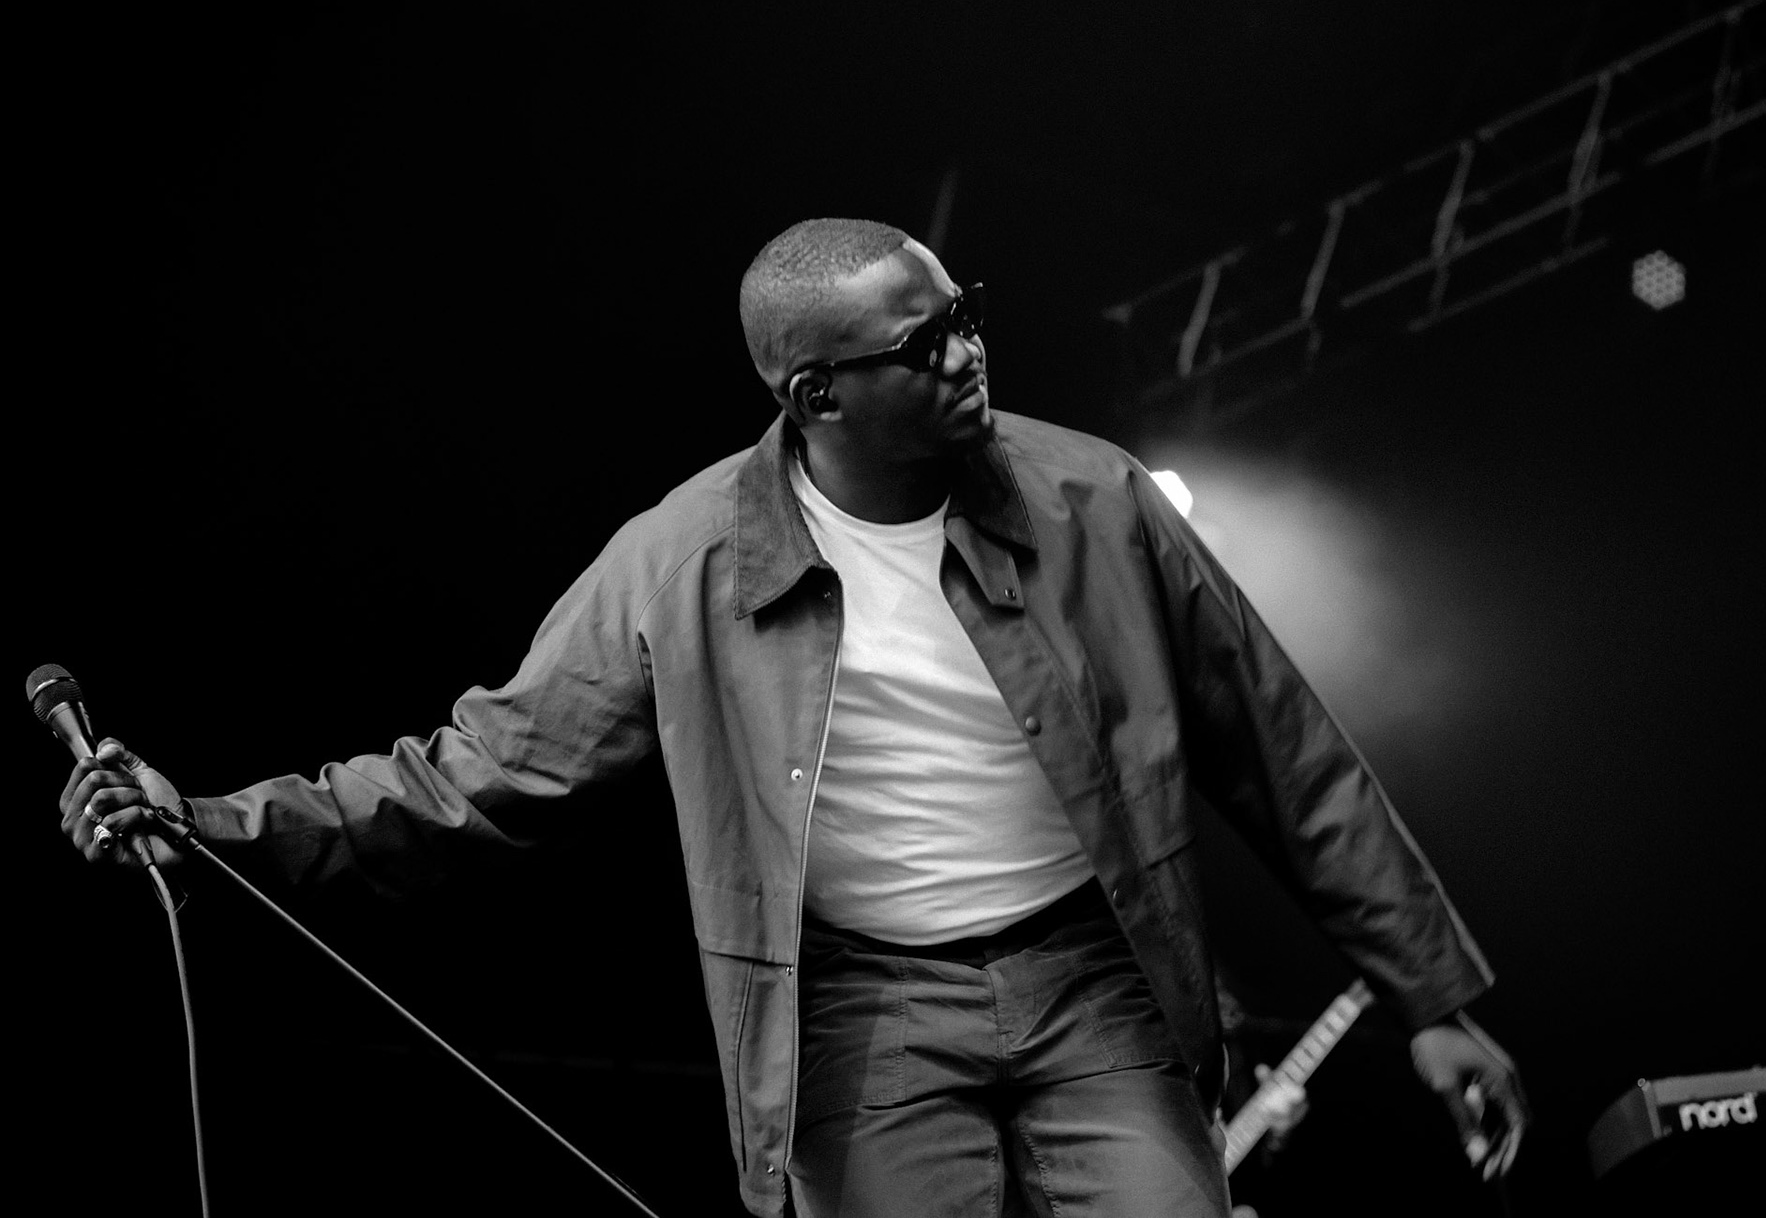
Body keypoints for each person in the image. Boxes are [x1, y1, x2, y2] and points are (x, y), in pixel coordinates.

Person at [63, 218, 1528, 1217]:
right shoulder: (689, 557)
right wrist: (209, 823)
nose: (968, 351)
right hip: (865, 1007)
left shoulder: (1096, 500)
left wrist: (1435, 1002)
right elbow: (479, 776)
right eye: (926, 339)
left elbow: (1283, 747)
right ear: (817, 391)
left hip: (1100, 983)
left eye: (965, 315)